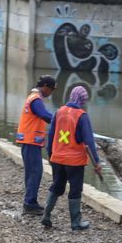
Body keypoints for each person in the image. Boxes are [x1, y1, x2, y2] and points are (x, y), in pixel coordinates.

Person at [41, 85, 103, 231]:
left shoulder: (59, 112)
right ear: (83, 100)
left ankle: (46, 215)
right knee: (75, 190)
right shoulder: (81, 115)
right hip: (74, 161)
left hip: (57, 158)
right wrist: (97, 162)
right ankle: (76, 222)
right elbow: (89, 141)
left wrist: (51, 155)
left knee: (57, 186)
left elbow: (51, 135)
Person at [16, 75, 56, 215]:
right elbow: (44, 115)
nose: (51, 93)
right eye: (51, 89)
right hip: (30, 141)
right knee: (35, 172)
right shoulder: (36, 99)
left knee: (32, 172)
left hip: (31, 142)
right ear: (45, 86)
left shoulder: (33, 97)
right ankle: (29, 204)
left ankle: (30, 202)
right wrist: (61, 120)